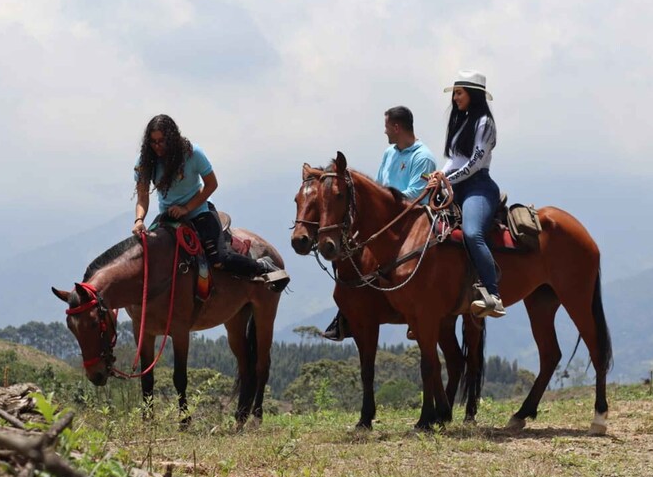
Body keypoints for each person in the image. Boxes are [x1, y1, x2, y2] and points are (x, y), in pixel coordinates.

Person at [133, 114, 288, 291]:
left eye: (161, 141)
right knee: (148, 253)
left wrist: (186, 208)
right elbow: (142, 197)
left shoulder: (192, 154)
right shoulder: (145, 162)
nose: (157, 146)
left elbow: (211, 184)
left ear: (171, 138)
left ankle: (262, 266)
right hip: (168, 216)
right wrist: (139, 220)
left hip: (200, 211)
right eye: (153, 142)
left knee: (219, 259)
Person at [322, 106, 437, 340]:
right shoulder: (389, 153)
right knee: (347, 250)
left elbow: (417, 194)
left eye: (386, 127)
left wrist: (382, 205)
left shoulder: (423, 157)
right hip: (384, 220)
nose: (385, 132)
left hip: (409, 222)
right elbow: (381, 185)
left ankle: (410, 310)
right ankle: (345, 312)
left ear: (396, 127)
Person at [429, 70, 504, 318]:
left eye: (459, 93)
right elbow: (454, 159)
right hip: (456, 186)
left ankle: (493, 294)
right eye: (455, 94)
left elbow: (475, 162)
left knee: (472, 233)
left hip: (478, 186)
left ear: (472, 94)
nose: (455, 98)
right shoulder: (462, 122)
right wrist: (438, 176)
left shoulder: (485, 123)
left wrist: (446, 180)